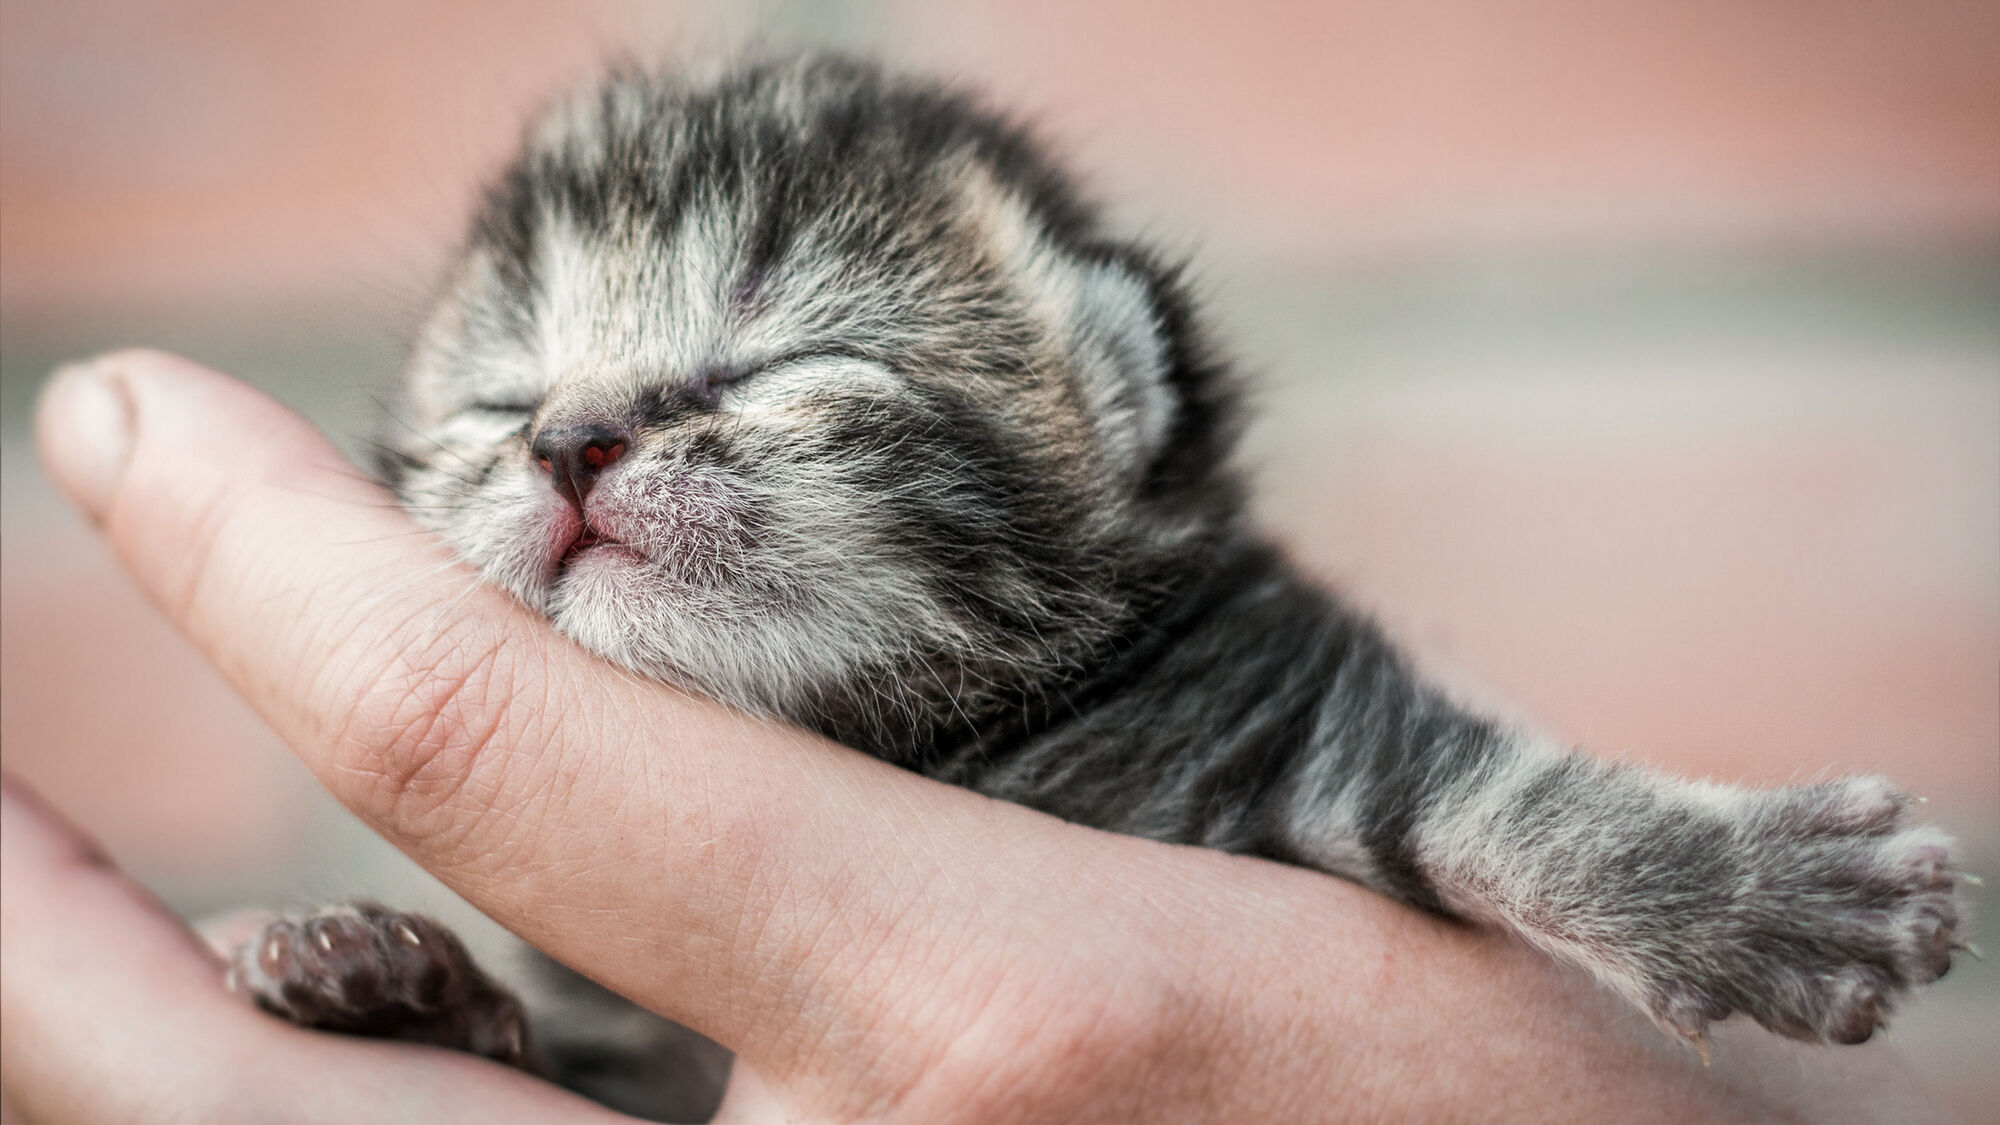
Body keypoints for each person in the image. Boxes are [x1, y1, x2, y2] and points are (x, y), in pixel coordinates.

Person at [1, 351, 1949, 1123]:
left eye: (791, 365)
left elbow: (1392, 773)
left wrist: (1659, 873)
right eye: (500, 398)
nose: (571, 437)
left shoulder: (1175, 664)